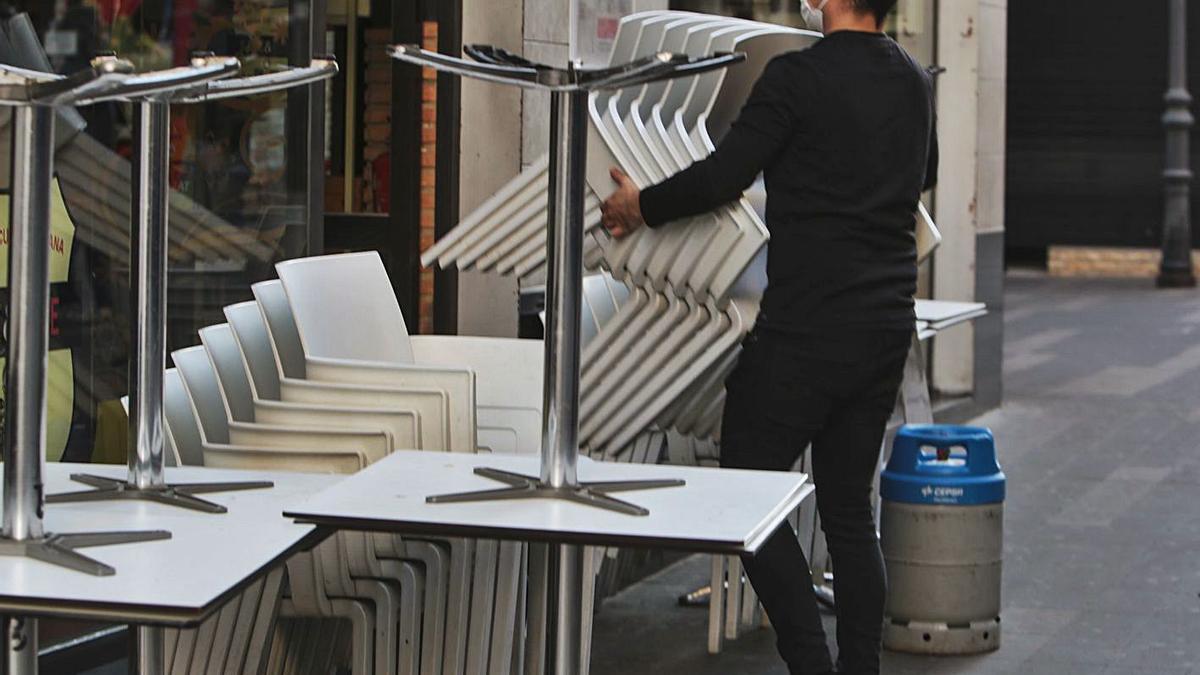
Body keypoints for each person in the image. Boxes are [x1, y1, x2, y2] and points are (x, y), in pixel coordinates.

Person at [599, 1, 937, 673]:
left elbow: (724, 175)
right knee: (847, 509)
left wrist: (642, 204)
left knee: (744, 487)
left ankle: (811, 661)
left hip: (807, 324)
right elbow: (919, 178)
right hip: (885, 323)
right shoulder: (913, 79)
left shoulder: (795, 77)